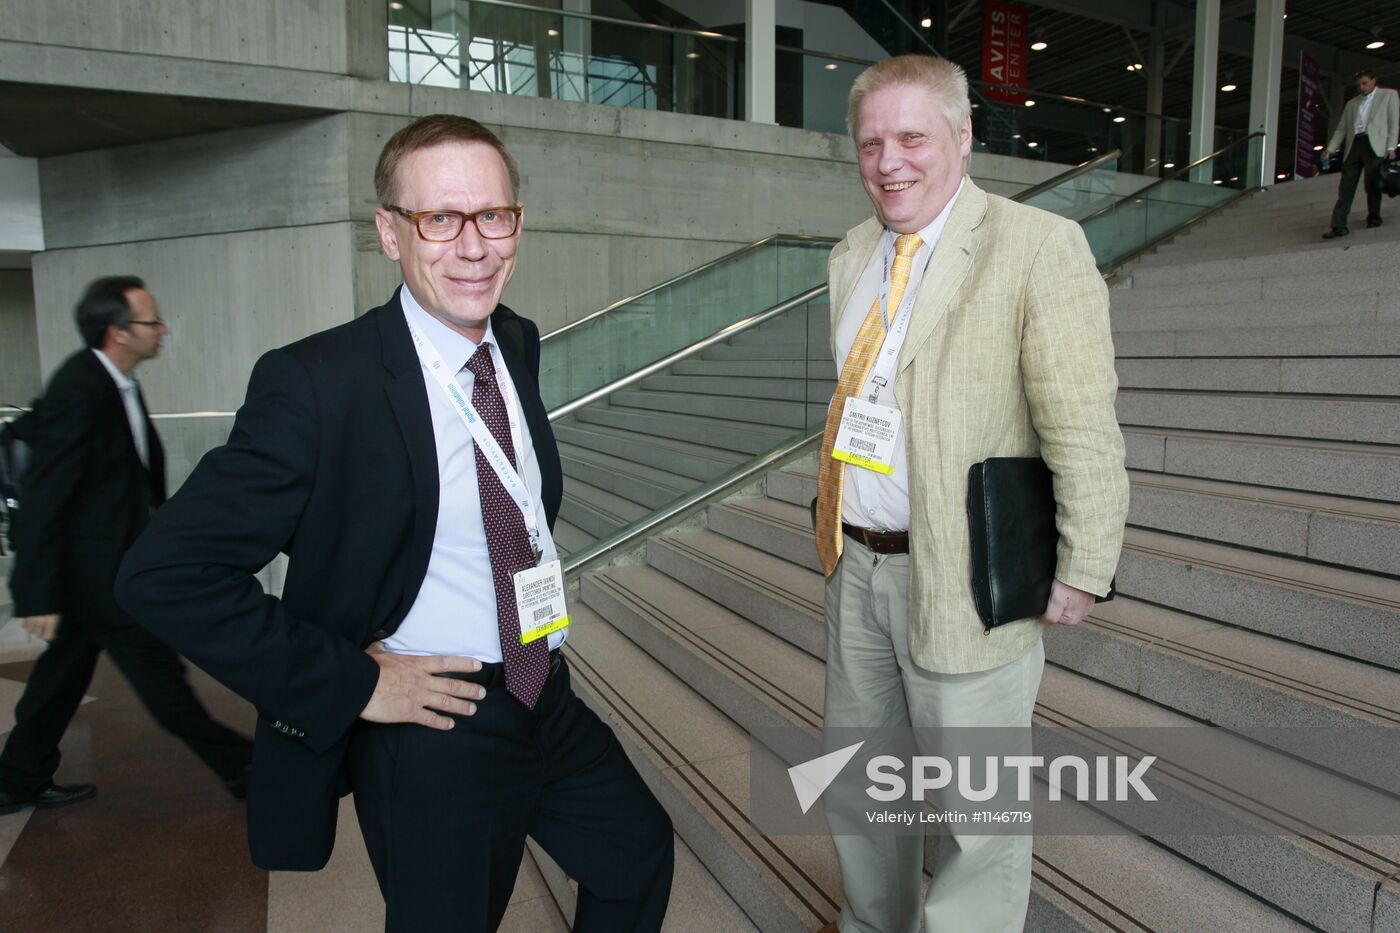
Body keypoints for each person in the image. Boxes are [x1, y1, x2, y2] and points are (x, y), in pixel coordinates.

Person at [115, 115, 673, 931]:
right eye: (439, 219)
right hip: (434, 721)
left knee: (636, 853)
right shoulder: (317, 384)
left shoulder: (514, 342)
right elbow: (162, 576)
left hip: (542, 690)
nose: (474, 246)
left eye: (494, 215)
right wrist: (355, 680)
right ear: (389, 231)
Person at [812, 56, 1128, 933]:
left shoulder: (1037, 246)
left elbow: (1081, 421)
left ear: (962, 137)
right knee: (863, 784)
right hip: (859, 569)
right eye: (872, 142)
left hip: (967, 577)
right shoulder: (850, 254)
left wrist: (1086, 562)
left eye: (913, 137)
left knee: (975, 815)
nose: (890, 161)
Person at [0, 277, 252, 814]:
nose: (162, 330)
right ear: (117, 333)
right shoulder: (80, 388)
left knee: (57, 684)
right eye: (150, 322)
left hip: (102, 569)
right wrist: (36, 594)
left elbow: (128, 484)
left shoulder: (119, 383)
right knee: (163, 682)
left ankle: (16, 779)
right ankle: (246, 769)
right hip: (98, 577)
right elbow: (46, 494)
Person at [1322, 69, 1399, 239]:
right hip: (1354, 145)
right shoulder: (1351, 104)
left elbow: (1393, 123)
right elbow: (1341, 129)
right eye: (1359, 85)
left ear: (1373, 81)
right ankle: (1338, 225)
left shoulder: (1389, 95)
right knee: (1346, 187)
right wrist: (1330, 149)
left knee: (1372, 184)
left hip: (1375, 145)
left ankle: (1374, 218)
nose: (1361, 87)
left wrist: (1391, 147)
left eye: (1364, 83)